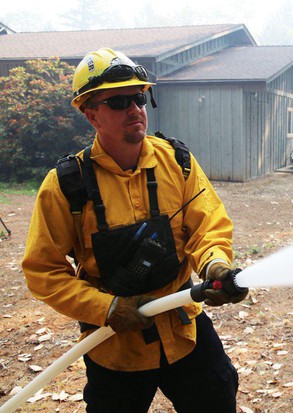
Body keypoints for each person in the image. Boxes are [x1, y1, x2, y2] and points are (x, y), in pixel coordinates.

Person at [21, 47, 248, 412]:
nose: (134, 109)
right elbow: (43, 271)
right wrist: (106, 307)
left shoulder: (178, 162)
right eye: (118, 102)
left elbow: (208, 225)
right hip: (115, 344)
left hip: (183, 328)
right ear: (91, 114)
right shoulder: (66, 185)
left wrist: (215, 265)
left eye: (139, 97)